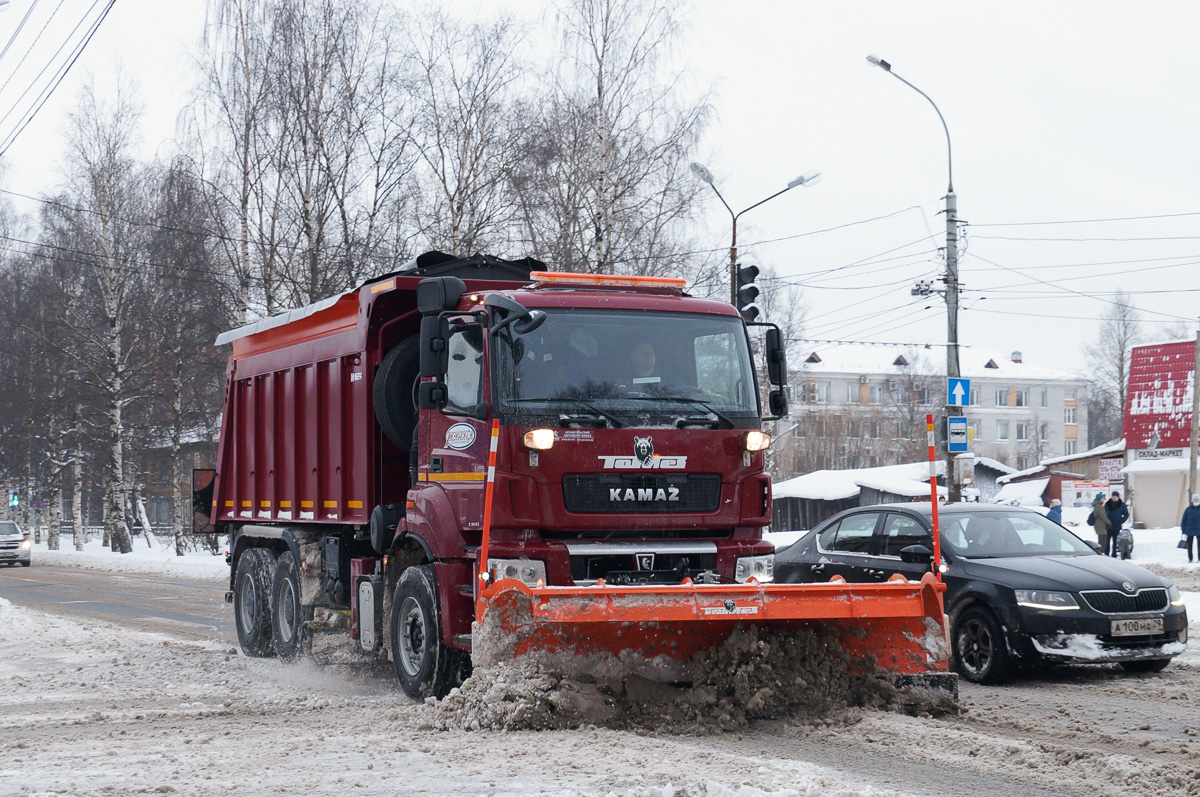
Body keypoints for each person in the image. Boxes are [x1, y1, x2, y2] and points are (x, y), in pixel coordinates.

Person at [1104, 490, 1129, 557]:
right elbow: (1103, 513)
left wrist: (1121, 521)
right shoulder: (1107, 504)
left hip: (1117, 526)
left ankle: (1114, 554)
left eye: (1115, 497)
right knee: (1107, 541)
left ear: (1118, 497)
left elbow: (1126, 515)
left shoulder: (1122, 505)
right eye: (1113, 496)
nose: (1114, 498)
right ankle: (1106, 553)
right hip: (1108, 525)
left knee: (1115, 541)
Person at [1182, 493, 1200, 563]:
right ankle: (1190, 559)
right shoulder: (1188, 510)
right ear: (1192, 500)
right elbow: (1184, 520)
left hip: (1199, 530)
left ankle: (1199, 559)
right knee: (1189, 546)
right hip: (1190, 530)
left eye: (1197, 500)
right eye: (1195, 500)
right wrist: (1183, 529)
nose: (1196, 501)